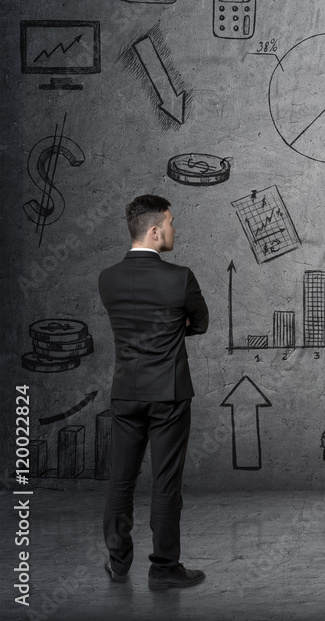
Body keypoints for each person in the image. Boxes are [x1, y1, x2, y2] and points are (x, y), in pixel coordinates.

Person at [98, 194, 209, 590]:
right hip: (170, 393)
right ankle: (163, 569)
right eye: (172, 222)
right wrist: (177, 326)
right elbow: (201, 323)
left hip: (126, 391)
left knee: (120, 480)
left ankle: (118, 561)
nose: (175, 229)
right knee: (165, 484)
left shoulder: (107, 278)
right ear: (155, 230)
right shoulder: (180, 277)